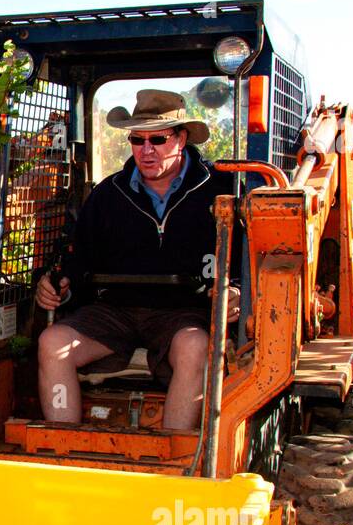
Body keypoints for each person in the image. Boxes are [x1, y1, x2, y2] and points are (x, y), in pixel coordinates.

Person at [35, 89, 239, 430]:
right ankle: (62, 447)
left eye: (157, 139)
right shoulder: (107, 195)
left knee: (195, 346)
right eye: (136, 139)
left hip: (185, 313)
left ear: (182, 138)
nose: (146, 151)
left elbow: (250, 257)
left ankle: (178, 461)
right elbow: (78, 261)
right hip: (115, 313)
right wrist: (59, 286)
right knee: (52, 342)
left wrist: (237, 292)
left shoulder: (221, 190)